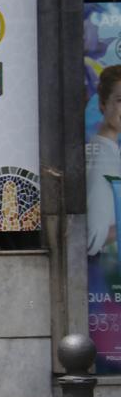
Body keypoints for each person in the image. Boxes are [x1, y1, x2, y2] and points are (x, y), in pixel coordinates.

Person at [88, 65, 121, 257]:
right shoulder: (101, 156)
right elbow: (91, 238)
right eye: (120, 100)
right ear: (102, 104)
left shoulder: (111, 151)